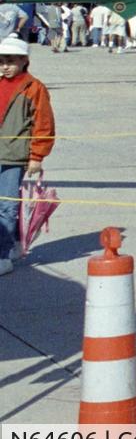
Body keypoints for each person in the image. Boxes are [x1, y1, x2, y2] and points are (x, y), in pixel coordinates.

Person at [0, 35, 55, 275]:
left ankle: (3, 257)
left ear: (24, 61)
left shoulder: (34, 88)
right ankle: (12, 243)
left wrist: (37, 156)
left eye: (11, 61)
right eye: (1, 61)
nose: (5, 66)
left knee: (7, 206)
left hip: (14, 155)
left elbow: (43, 124)